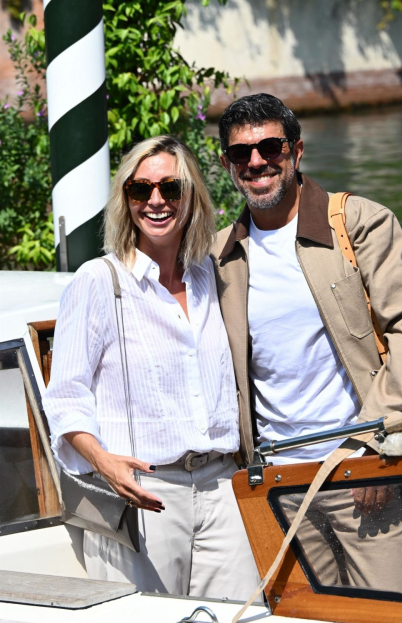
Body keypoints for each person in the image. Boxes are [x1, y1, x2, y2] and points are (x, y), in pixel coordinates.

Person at [211, 94, 402, 593]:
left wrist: (370, 442)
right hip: (276, 484)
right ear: (228, 164)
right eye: (240, 154)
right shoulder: (220, 254)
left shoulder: (356, 223)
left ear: (296, 153)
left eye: (270, 147)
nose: (256, 162)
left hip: (360, 471)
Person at [43, 135, 259, 599]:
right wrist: (104, 463)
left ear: (192, 196)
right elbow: (64, 397)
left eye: (171, 188)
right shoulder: (99, 282)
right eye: (140, 190)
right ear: (126, 200)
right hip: (141, 492)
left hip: (223, 486)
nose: (156, 201)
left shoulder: (211, 276)